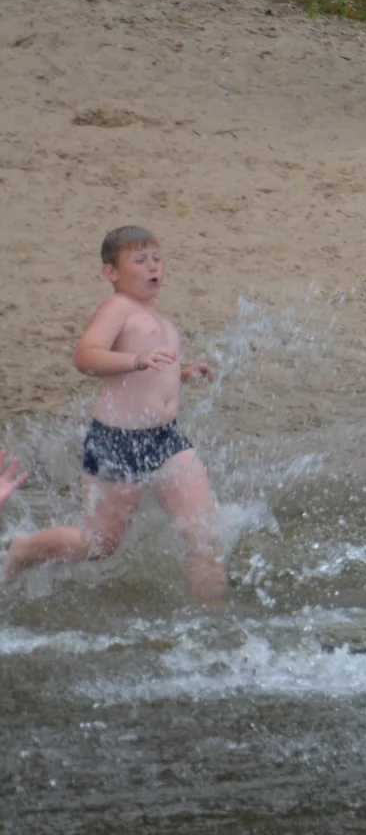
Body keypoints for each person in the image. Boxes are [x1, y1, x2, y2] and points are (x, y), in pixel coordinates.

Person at [4, 227, 226, 605]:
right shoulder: (118, 307)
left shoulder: (160, 319)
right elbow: (86, 356)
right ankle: (23, 548)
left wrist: (182, 373)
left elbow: (149, 379)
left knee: (205, 534)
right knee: (98, 543)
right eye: (139, 260)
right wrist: (137, 360)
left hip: (167, 439)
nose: (152, 266)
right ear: (112, 274)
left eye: (156, 257)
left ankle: (216, 624)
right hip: (117, 440)